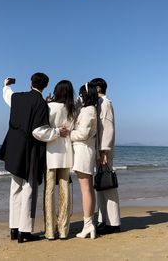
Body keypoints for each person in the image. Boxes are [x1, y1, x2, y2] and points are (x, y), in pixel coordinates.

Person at [0, 73, 66, 243]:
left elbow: (7, 95)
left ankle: (14, 228)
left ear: (30, 82)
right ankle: (24, 231)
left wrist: (5, 84)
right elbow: (38, 131)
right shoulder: (41, 103)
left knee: (15, 187)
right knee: (29, 189)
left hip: (13, 148)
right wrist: (57, 132)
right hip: (30, 150)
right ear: (45, 86)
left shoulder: (18, 97)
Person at [33, 80, 76, 240]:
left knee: (49, 191)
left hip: (51, 152)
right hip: (66, 152)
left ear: (57, 91)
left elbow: (40, 131)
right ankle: (64, 229)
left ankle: (50, 230)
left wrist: (56, 131)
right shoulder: (73, 109)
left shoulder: (50, 107)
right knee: (64, 191)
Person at [90, 77, 121, 234]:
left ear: (97, 88)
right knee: (101, 186)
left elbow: (108, 129)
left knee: (108, 186)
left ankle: (113, 223)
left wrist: (104, 151)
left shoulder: (106, 103)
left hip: (104, 152)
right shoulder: (100, 103)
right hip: (100, 150)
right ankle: (104, 220)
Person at [70, 82, 98, 239]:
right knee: (89, 189)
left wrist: (68, 133)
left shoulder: (88, 110)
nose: (79, 96)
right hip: (86, 150)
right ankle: (89, 224)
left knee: (85, 190)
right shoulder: (88, 109)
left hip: (83, 150)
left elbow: (82, 134)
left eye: (81, 93)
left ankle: (88, 225)